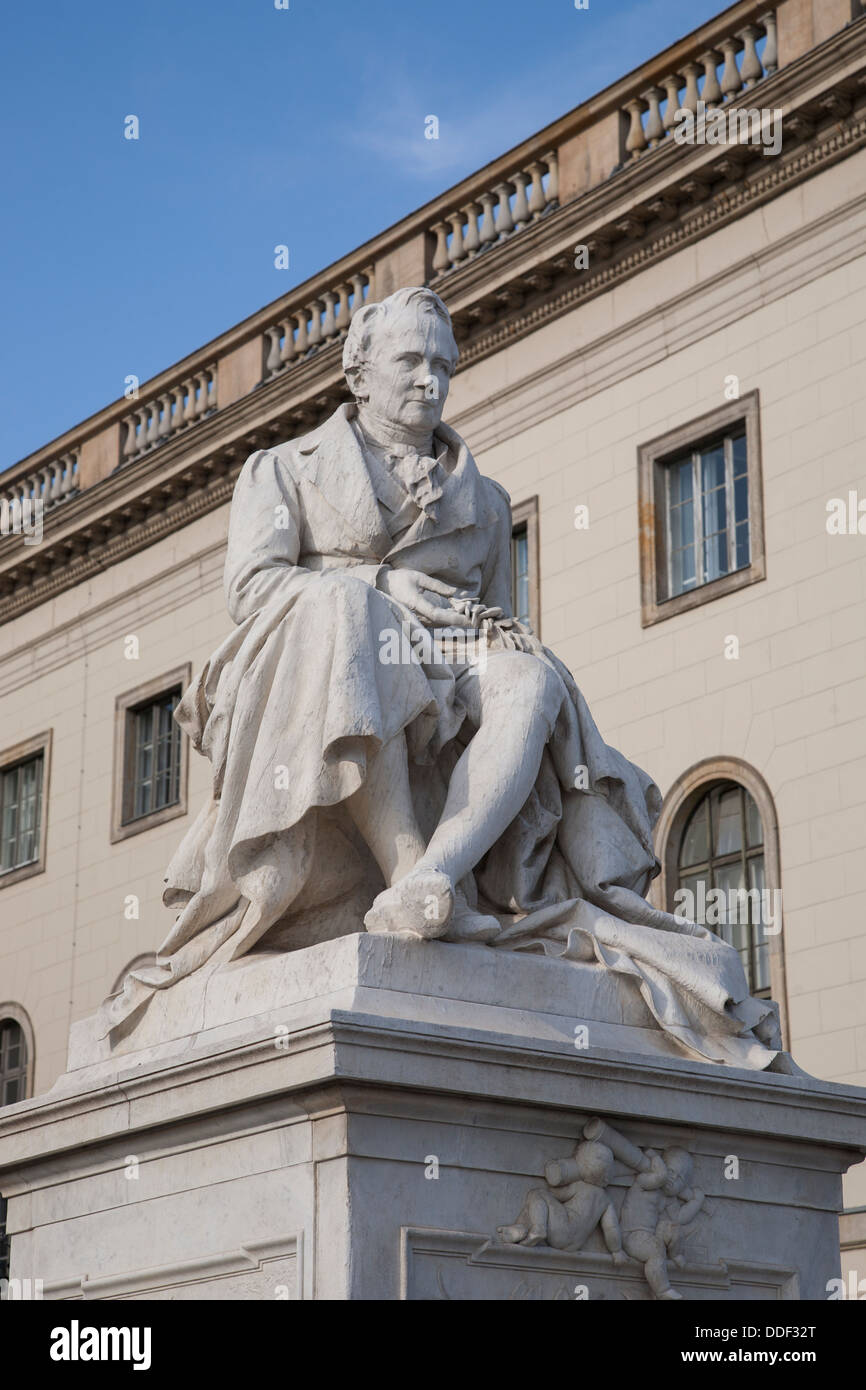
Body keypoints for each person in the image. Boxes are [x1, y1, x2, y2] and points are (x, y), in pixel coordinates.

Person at [101, 287, 785, 1073]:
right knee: (345, 610)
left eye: (443, 366)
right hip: (310, 657)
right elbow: (254, 589)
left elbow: (492, 613)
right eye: (410, 362)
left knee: (530, 681)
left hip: (446, 668)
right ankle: (401, 864)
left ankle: (431, 880)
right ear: (358, 373)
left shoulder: (485, 503)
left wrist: (497, 636)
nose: (430, 380)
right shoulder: (283, 470)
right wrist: (376, 587)